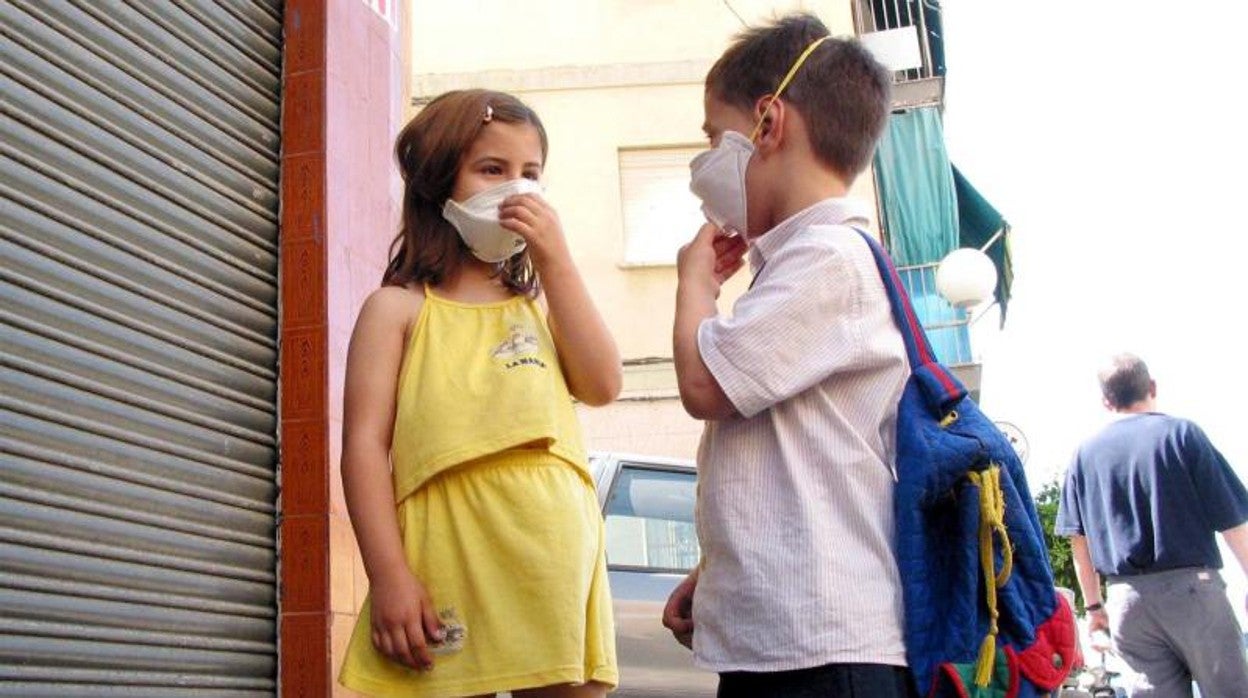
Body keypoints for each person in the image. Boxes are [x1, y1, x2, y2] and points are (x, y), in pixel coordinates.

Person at [660, 13, 919, 698]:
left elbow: (705, 385)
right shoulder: (806, 262)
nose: (706, 162)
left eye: (716, 137)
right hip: (797, 643)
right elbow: (791, 455)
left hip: (824, 652)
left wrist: (694, 284)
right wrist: (718, 573)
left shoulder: (827, 257)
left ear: (769, 123)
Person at [337, 89, 622, 698]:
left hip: (550, 548)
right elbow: (363, 447)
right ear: (440, 181)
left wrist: (558, 260)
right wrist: (387, 575)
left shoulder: (541, 303)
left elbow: (602, 383)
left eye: (531, 174)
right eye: (492, 169)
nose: (516, 189)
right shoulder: (398, 310)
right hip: (445, 548)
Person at [1055, 353, 1248, 697]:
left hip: (1126, 600)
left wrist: (1095, 607)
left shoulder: (1084, 454)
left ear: (1106, 400)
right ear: (1152, 386)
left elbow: (1078, 542)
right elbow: (1232, 519)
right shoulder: (1182, 435)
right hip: (1192, 591)